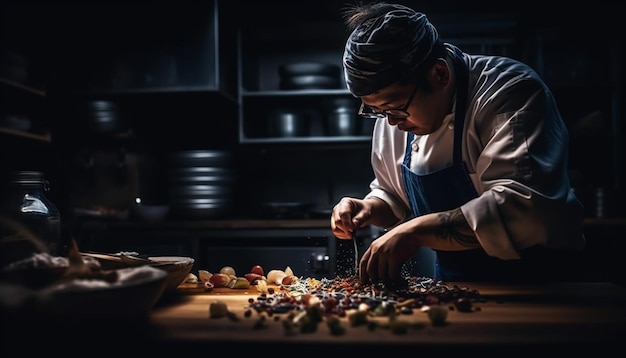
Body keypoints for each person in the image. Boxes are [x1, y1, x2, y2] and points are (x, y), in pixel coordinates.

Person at [330, 1, 586, 285]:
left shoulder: (508, 91)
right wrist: (369, 207)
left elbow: (523, 207)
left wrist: (414, 232)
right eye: (377, 111)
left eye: (395, 107)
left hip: (541, 285)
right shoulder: (395, 115)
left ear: (439, 74)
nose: (390, 121)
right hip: (457, 285)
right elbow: (394, 196)